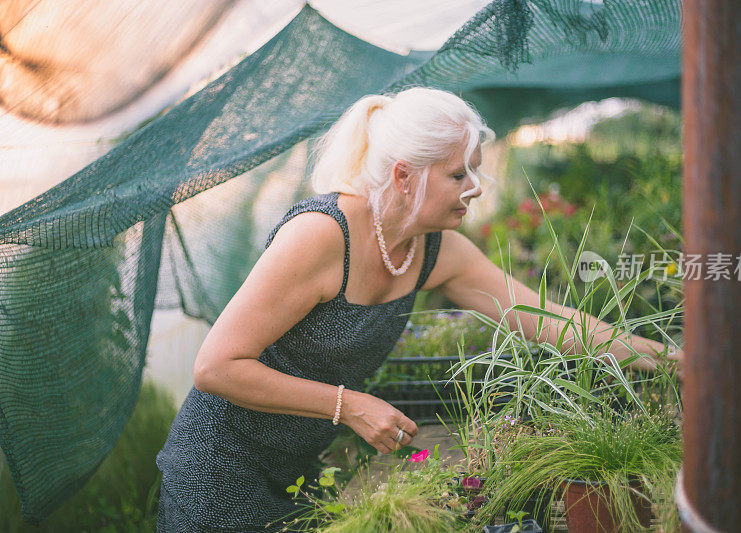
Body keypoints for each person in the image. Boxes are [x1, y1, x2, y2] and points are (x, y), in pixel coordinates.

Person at [155, 87, 680, 532]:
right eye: (458, 176)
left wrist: (674, 360)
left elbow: (550, 320)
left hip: (298, 464)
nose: (475, 189)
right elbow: (216, 367)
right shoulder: (320, 234)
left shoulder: (434, 249)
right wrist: (350, 404)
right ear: (404, 176)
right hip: (217, 469)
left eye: (475, 172)